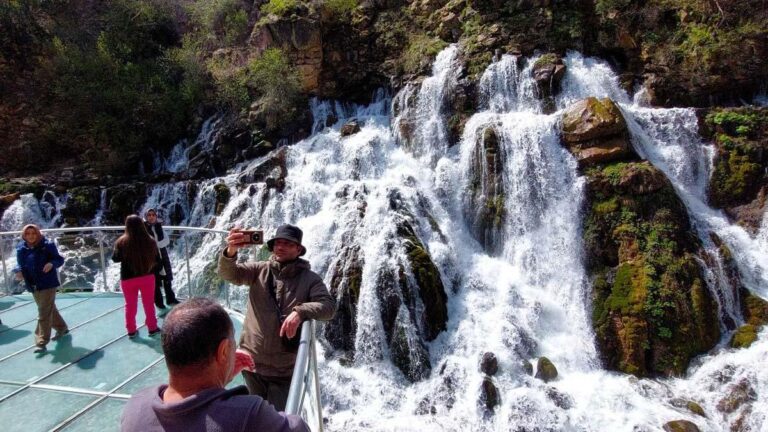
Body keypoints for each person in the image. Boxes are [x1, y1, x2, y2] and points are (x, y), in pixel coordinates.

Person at [121, 297, 309, 432]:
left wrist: (220, 377)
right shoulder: (248, 415)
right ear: (224, 351)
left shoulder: (136, 406)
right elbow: (300, 428)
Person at [218, 223, 335, 411]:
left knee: (278, 417)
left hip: (283, 369)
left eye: (288, 244)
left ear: (298, 249)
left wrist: (300, 312)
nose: (280, 247)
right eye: (277, 243)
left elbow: (329, 307)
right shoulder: (259, 270)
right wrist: (231, 251)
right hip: (251, 362)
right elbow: (229, 273)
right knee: (256, 412)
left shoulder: (310, 279)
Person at [13, 224, 69, 353]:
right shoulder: (21, 249)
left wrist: (51, 263)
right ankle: (62, 328)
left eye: (33, 233)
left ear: (38, 233)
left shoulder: (47, 245)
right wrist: (18, 271)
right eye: (28, 234)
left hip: (47, 283)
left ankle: (41, 341)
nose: (31, 236)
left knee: (43, 312)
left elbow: (59, 259)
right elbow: (19, 264)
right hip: (32, 284)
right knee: (49, 308)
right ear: (24, 235)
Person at [113, 215, 161, 338]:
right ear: (142, 225)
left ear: (127, 226)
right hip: (147, 277)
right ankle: (152, 328)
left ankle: (131, 330)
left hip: (128, 279)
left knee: (130, 305)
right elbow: (158, 261)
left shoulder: (121, 242)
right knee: (149, 303)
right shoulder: (150, 240)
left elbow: (115, 259)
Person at [144, 208, 179, 309]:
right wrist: (157, 245)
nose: (151, 217)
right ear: (146, 217)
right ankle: (159, 304)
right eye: (149, 215)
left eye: (153, 215)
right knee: (155, 281)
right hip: (151, 258)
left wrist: (155, 245)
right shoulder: (143, 228)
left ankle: (170, 299)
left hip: (162, 255)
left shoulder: (159, 226)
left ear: (156, 216)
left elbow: (167, 240)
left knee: (167, 277)